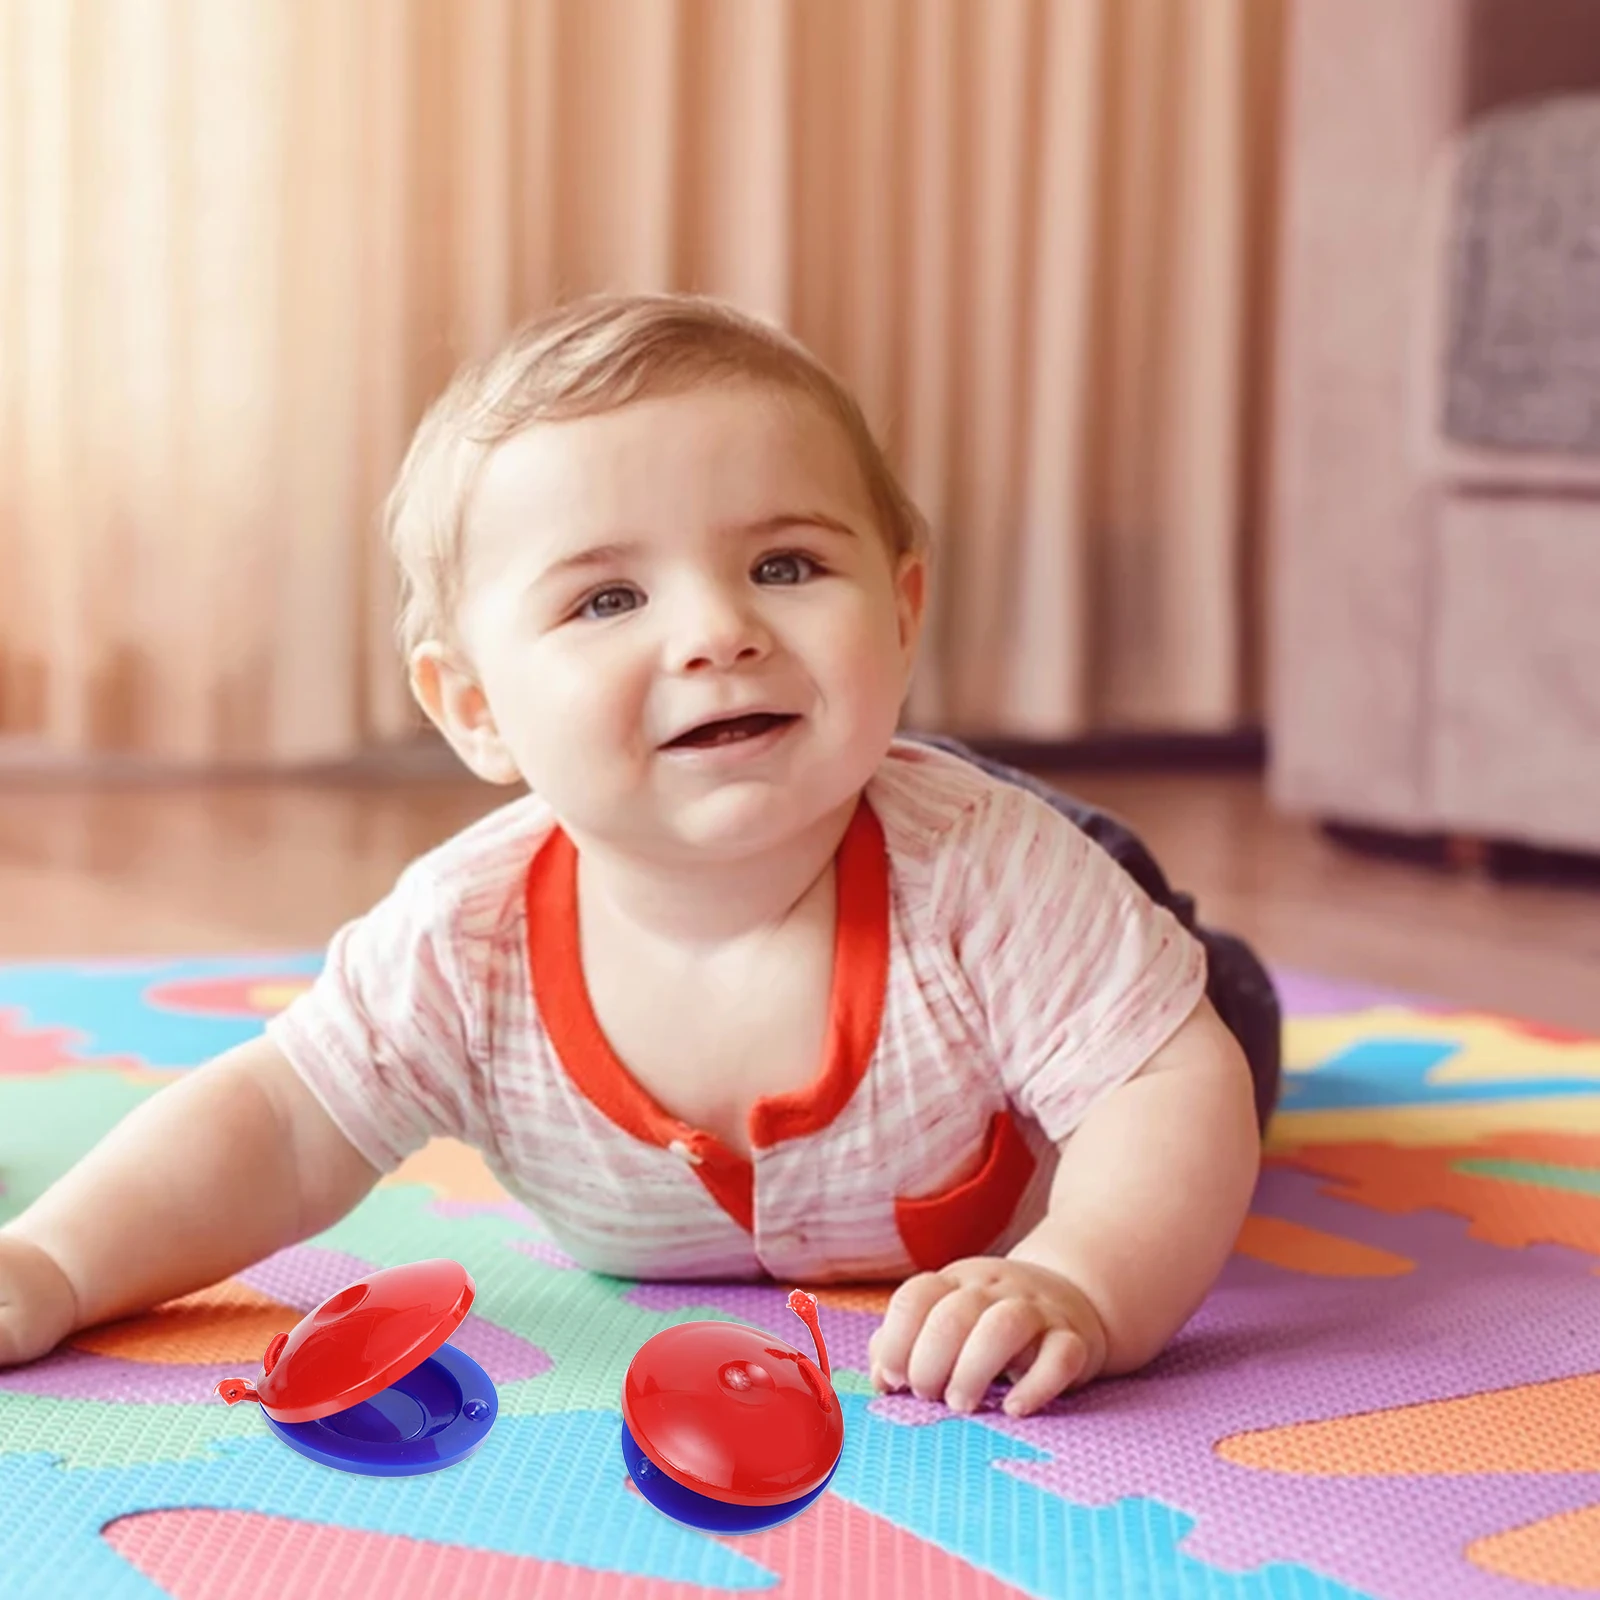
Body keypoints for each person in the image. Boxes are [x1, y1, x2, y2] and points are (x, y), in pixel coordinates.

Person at [0, 294, 1279, 1419]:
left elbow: (1156, 1088)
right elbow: (278, 1128)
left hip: (1040, 898)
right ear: (475, 708)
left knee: (1214, 1035)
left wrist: (1084, 1280)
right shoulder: (466, 938)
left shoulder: (991, 878)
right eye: (608, 599)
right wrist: (53, 1262)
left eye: (784, 565)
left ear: (898, 612)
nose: (719, 630)